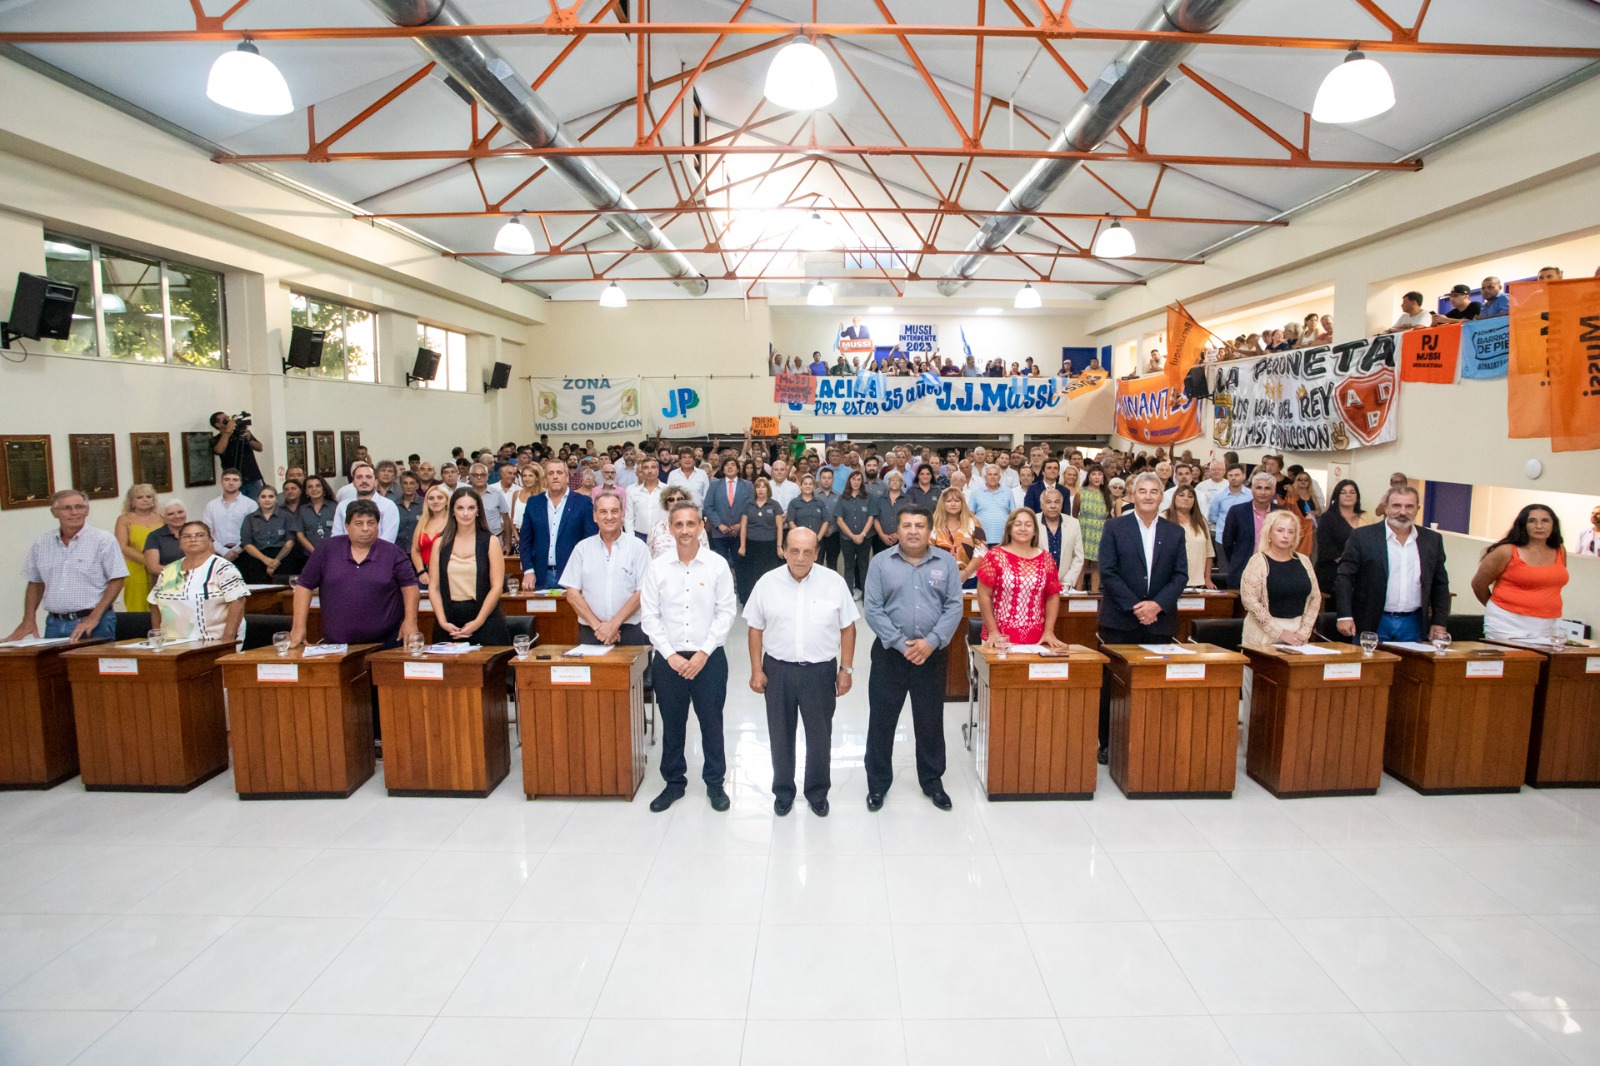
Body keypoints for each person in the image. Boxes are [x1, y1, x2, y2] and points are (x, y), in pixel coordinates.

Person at [745, 527, 857, 817]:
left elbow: (848, 627)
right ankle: (783, 791)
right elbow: (755, 628)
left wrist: (845, 669)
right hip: (778, 670)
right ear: (783, 550)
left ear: (817, 554)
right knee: (780, 735)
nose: (800, 557)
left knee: (820, 736)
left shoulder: (833, 582)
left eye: (808, 551)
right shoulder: (767, 583)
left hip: (820, 672)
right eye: (794, 550)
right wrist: (756, 669)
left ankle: (817, 792)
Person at [862, 506, 964, 811]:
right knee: (882, 720)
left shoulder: (946, 562)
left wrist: (931, 642)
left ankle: (932, 781)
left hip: (931, 656)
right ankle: (877, 784)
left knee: (930, 720)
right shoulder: (880, 563)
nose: (913, 531)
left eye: (920, 525)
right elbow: (872, 608)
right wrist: (899, 642)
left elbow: (954, 606)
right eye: (907, 525)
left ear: (929, 530)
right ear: (898, 529)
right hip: (890, 655)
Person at [640, 500, 737, 814]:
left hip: (708, 658)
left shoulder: (716, 565)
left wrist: (702, 652)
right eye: (678, 524)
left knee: (712, 723)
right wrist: (670, 655)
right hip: (669, 661)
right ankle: (673, 783)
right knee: (673, 724)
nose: (684, 530)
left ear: (701, 526)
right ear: (670, 529)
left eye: (690, 524)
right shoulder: (657, 567)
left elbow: (726, 612)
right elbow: (649, 617)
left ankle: (714, 783)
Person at [1095, 472, 1190, 762]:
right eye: (1142, 491)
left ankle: (1151, 740)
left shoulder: (1175, 532)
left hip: (1159, 622)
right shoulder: (1114, 527)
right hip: (1120, 620)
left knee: (1155, 683)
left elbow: (1180, 575)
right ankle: (1108, 743)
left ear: (1163, 497)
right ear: (1132, 496)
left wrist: (1156, 606)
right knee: (1114, 684)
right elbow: (1107, 571)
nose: (1148, 496)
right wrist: (1137, 606)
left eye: (1154, 491)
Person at [7, 489, 127, 643]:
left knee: (89, 667)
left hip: (94, 622)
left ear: (87, 511)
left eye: (80, 507)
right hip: (54, 623)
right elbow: (35, 583)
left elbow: (117, 580)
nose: (74, 512)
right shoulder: (42, 543)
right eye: (67, 508)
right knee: (53, 667)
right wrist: (28, 619)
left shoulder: (103, 540)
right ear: (54, 513)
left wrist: (93, 618)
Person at [1335, 486, 1450, 644]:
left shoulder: (1432, 540)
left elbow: (1440, 584)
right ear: (1386, 508)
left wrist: (1439, 622)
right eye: (1396, 506)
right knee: (1370, 668)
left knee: (1410, 669)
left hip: (1413, 623)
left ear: (1417, 509)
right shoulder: (1362, 537)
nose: (1402, 512)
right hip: (1372, 621)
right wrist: (1344, 615)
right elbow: (1345, 578)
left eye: (1409, 506)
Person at [562, 492, 651, 647]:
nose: (609, 517)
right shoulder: (582, 548)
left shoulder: (638, 548)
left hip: (630, 631)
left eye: (614, 511)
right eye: (603, 512)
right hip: (591, 631)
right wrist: (599, 627)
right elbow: (572, 594)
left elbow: (643, 592)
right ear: (595, 516)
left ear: (622, 515)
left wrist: (613, 624)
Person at [1471, 505, 1568, 642]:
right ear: (1523, 525)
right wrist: (1499, 609)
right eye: (1532, 521)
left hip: (1547, 624)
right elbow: (1478, 585)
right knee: (1514, 662)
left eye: (1545, 521)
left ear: (1553, 525)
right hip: (1507, 623)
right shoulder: (1505, 551)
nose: (1539, 526)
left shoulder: (1559, 550)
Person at [427, 488, 511, 646]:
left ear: (478, 511)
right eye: (460, 508)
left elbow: (497, 587)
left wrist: (478, 622)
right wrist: (442, 621)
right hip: (449, 620)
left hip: (485, 620)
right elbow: (434, 587)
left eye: (471, 508)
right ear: (452, 511)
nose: (465, 513)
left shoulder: (490, 542)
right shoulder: (440, 543)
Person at [976, 508, 1068, 650]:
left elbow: (1052, 596)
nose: (1023, 529)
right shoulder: (994, 556)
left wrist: (1049, 631)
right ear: (1009, 529)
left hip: (1037, 640)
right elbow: (983, 595)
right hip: (999, 639)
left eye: (1028, 525)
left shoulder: (1046, 559)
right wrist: (993, 631)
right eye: (1018, 524)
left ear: (1035, 531)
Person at [147, 522, 248, 646]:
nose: (193, 539)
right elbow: (154, 603)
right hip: (171, 644)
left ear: (210, 540)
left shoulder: (223, 568)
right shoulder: (169, 570)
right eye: (186, 536)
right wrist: (157, 636)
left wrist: (228, 638)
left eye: (199, 535)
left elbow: (238, 602)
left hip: (213, 642)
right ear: (179, 543)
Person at [1238, 511, 1320, 647]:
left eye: (1291, 532)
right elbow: (1250, 600)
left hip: (1297, 634)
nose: (1285, 536)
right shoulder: (1258, 561)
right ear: (1269, 533)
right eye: (1280, 530)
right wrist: (1280, 633)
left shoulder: (1304, 560)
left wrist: (1304, 631)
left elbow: (1315, 597)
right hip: (1263, 634)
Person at [519, 459, 598, 590]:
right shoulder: (534, 503)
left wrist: (585, 572)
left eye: (559, 472)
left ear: (567, 477)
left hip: (573, 575)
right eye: (551, 473)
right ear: (545, 478)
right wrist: (528, 570)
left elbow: (591, 540)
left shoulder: (582, 503)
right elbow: (525, 540)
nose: (555, 476)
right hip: (540, 575)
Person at [1222, 473, 1285, 589]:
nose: (1263, 492)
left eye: (1267, 488)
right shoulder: (1237, 512)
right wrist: (1238, 560)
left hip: (1274, 572)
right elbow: (1227, 543)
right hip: (1242, 571)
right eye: (1258, 487)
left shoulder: (1282, 513)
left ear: (1273, 491)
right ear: (1252, 489)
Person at [1313, 478, 1369, 592]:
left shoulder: (1366, 517)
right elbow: (1326, 547)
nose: (1348, 495)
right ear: (1337, 496)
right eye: (1343, 492)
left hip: (1361, 574)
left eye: (1352, 492)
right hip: (1333, 574)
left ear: (1357, 496)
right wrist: (1348, 563)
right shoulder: (1328, 517)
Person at [113, 483, 162, 612]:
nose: (145, 500)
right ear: (132, 501)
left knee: (162, 605)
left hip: (161, 568)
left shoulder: (162, 517)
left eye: (148, 496)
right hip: (136, 569)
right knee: (138, 608)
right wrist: (147, 561)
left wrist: (156, 564)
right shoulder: (124, 519)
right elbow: (122, 546)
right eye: (140, 497)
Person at [237, 485, 298, 585]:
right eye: (263, 497)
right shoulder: (250, 519)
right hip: (257, 559)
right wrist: (265, 560)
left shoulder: (287, 516)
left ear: (276, 499)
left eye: (271, 496)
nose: (267, 500)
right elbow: (246, 543)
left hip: (282, 559)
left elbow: (290, 541)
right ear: (258, 499)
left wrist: (275, 561)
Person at [331, 463, 400, 543]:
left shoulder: (388, 506)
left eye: (368, 477)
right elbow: (336, 538)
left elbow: (387, 541)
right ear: (353, 482)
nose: (364, 481)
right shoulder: (342, 506)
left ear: (376, 482)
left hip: (380, 554)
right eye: (359, 477)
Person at [704, 456, 751, 573]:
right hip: (719, 533)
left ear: (739, 469)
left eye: (733, 464)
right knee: (721, 566)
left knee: (740, 565)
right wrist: (719, 524)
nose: (730, 467)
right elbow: (708, 506)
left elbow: (751, 507)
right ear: (723, 470)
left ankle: (742, 591)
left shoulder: (748, 485)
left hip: (740, 533)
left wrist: (740, 525)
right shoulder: (714, 485)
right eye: (726, 465)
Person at [1164, 485, 1215, 590]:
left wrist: (1207, 578)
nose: (1185, 498)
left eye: (1190, 496)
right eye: (1181, 495)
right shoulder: (1163, 518)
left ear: (1194, 501)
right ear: (1174, 498)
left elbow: (1209, 553)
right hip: (1169, 582)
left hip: (1196, 581)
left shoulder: (1201, 520)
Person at [833, 471, 876, 596]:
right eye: (853, 479)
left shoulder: (869, 497)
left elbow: (871, 518)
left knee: (864, 566)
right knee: (848, 566)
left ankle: (865, 595)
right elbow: (839, 520)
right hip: (847, 539)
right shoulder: (842, 498)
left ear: (862, 481)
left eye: (858, 479)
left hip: (865, 538)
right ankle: (848, 595)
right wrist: (852, 536)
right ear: (849, 481)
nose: (856, 482)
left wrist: (862, 534)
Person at [203, 469, 257, 562]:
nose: (231, 483)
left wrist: (237, 550)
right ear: (221, 482)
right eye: (227, 479)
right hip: (218, 554)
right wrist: (223, 551)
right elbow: (206, 532)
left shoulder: (250, 505)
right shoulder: (211, 505)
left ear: (240, 483)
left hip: (245, 553)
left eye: (235, 480)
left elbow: (254, 531)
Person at [1037, 488, 1085, 591]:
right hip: (1036, 584)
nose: (1053, 506)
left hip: (1064, 585)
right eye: (1048, 502)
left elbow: (1078, 556)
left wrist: (1068, 581)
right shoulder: (1032, 522)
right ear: (1041, 505)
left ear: (1061, 505)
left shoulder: (1073, 523)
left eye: (1057, 502)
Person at [209, 411, 263, 500]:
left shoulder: (241, 433)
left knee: (255, 508)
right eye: (224, 420)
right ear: (217, 425)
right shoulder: (216, 439)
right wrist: (227, 432)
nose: (228, 420)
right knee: (237, 508)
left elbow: (259, 447)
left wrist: (249, 438)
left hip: (252, 477)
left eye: (228, 418)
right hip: (233, 480)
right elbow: (219, 450)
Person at [1074, 464, 1112, 592]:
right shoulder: (1081, 492)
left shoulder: (1106, 494)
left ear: (1103, 477)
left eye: (1099, 474)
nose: (1096, 477)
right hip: (1084, 529)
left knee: (1097, 564)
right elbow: (1074, 514)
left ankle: (1095, 592)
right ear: (1089, 477)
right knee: (1082, 563)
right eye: (1093, 474)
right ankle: (1078, 593)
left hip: (1100, 530)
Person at [646, 486, 709, 559]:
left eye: (680, 499)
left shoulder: (698, 527)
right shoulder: (656, 527)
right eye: (671, 499)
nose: (675, 502)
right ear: (666, 503)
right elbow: (648, 555)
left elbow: (706, 555)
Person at [409, 484, 451, 589]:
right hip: (425, 576)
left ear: (447, 500)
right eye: (431, 498)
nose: (435, 501)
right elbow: (415, 550)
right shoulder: (423, 521)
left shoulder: (453, 522)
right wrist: (422, 572)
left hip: (449, 577)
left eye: (440, 498)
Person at [466, 463, 513, 550]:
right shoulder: (464, 495)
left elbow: (506, 519)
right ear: (470, 477)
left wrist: (508, 543)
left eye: (482, 475)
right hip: (469, 540)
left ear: (487, 476)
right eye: (475, 475)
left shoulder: (497, 494)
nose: (479, 477)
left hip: (494, 539)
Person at [968, 465, 1013, 548]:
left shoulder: (1008, 492)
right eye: (990, 474)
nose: (992, 477)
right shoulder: (975, 493)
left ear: (999, 477)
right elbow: (970, 515)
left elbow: (1013, 515)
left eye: (995, 474)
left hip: (1003, 540)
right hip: (982, 540)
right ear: (985, 477)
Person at [1206, 463, 1249, 547]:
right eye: (1230, 475)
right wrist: (1226, 524)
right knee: (1222, 561)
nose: (1233, 478)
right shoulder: (1219, 495)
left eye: (1237, 475)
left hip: (1244, 539)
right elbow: (1213, 516)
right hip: (1222, 539)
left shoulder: (1250, 495)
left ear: (1243, 476)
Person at [143, 500, 189, 576]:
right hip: (168, 583)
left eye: (180, 512)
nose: (177, 516)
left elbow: (210, 557)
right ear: (162, 517)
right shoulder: (154, 536)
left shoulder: (197, 531)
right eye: (171, 514)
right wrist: (183, 573)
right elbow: (153, 568)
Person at [624, 457, 666, 539]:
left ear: (658, 470)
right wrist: (631, 538)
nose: (650, 471)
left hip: (662, 536)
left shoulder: (668, 490)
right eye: (646, 468)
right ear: (642, 471)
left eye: (653, 467)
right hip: (639, 536)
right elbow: (629, 517)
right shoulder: (632, 491)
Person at [871, 470, 911, 551]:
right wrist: (882, 535)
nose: (895, 482)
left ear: (901, 483)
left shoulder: (907, 499)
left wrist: (898, 534)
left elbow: (910, 519)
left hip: (902, 540)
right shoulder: (881, 499)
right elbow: (876, 519)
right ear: (889, 483)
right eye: (892, 480)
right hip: (882, 541)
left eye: (897, 480)